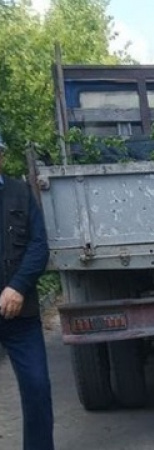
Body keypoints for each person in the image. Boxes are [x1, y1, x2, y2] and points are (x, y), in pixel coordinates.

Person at [0, 131, 53, 450]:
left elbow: (38, 245)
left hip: (21, 315)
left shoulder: (20, 193)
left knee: (37, 387)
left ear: (2, 156)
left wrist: (17, 288)